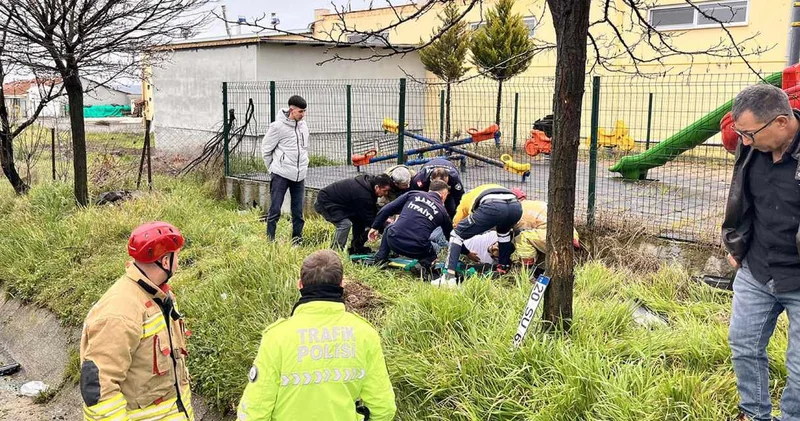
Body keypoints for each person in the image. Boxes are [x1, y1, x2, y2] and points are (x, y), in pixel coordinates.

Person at [237, 250, 397, 420]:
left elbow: (254, 411)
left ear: (300, 285)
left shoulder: (277, 337)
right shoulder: (365, 334)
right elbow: (384, 407)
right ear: (342, 285)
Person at [722, 84, 800, 421]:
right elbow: (742, 199)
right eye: (741, 134)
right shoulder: (751, 146)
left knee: (799, 368)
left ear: (781, 122)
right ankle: (754, 414)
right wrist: (736, 244)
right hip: (757, 269)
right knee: (744, 346)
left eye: (750, 134)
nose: (744, 141)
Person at [80, 222, 195, 420]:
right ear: (165, 261)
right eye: (177, 256)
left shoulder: (158, 296)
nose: (178, 262)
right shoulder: (120, 312)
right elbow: (100, 390)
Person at [434, 184, 523, 288]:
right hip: (515, 206)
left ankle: (448, 277)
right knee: (503, 233)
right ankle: (503, 269)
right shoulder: (483, 189)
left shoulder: (465, 199)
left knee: (455, 234)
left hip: (493, 205)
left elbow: (456, 225)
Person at [367, 180, 453, 275]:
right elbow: (451, 237)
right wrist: (464, 252)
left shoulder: (413, 194)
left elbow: (386, 209)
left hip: (394, 241)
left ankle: (380, 258)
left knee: (389, 228)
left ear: (429, 190)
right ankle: (421, 266)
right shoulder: (443, 212)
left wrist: (374, 227)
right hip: (416, 249)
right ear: (443, 195)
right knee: (432, 255)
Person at [262, 95, 309, 245]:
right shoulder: (277, 127)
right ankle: (270, 241)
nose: (303, 114)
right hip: (280, 174)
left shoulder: (303, 126)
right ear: (291, 110)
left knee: (298, 212)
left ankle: (297, 241)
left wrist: (304, 164)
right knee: (275, 209)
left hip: (299, 175)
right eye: (300, 111)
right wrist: (272, 169)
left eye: (304, 111)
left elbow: (304, 148)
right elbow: (266, 150)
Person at [314, 174, 392, 255]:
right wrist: (383, 226)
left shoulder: (369, 185)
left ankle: (356, 248)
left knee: (359, 220)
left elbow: (370, 209)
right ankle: (334, 253)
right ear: (377, 187)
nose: (386, 193)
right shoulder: (363, 195)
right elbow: (369, 219)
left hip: (343, 203)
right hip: (325, 201)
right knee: (345, 224)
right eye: (384, 190)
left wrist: (384, 218)